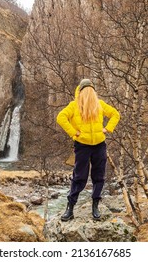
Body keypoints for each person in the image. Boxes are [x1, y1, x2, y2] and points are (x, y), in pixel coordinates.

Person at [56, 78, 120, 221]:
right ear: (81, 91)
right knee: (79, 177)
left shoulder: (100, 104)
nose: (89, 92)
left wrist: (107, 129)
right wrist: (74, 132)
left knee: (99, 176)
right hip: (82, 146)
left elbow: (115, 114)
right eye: (87, 89)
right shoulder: (74, 106)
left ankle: (95, 206)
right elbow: (61, 117)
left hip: (99, 145)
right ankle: (70, 208)